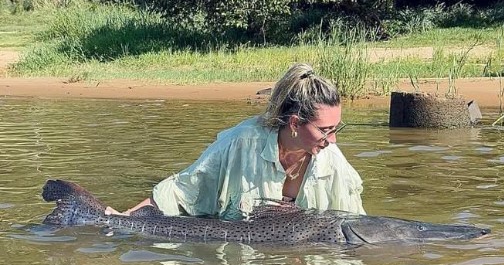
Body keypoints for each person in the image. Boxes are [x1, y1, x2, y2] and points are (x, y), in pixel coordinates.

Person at [106, 63, 365, 220]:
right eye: (325, 130)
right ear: (295, 123)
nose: (333, 139)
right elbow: (181, 192)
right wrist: (123, 218)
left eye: (336, 128)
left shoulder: (333, 159)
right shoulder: (239, 142)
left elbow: (353, 225)